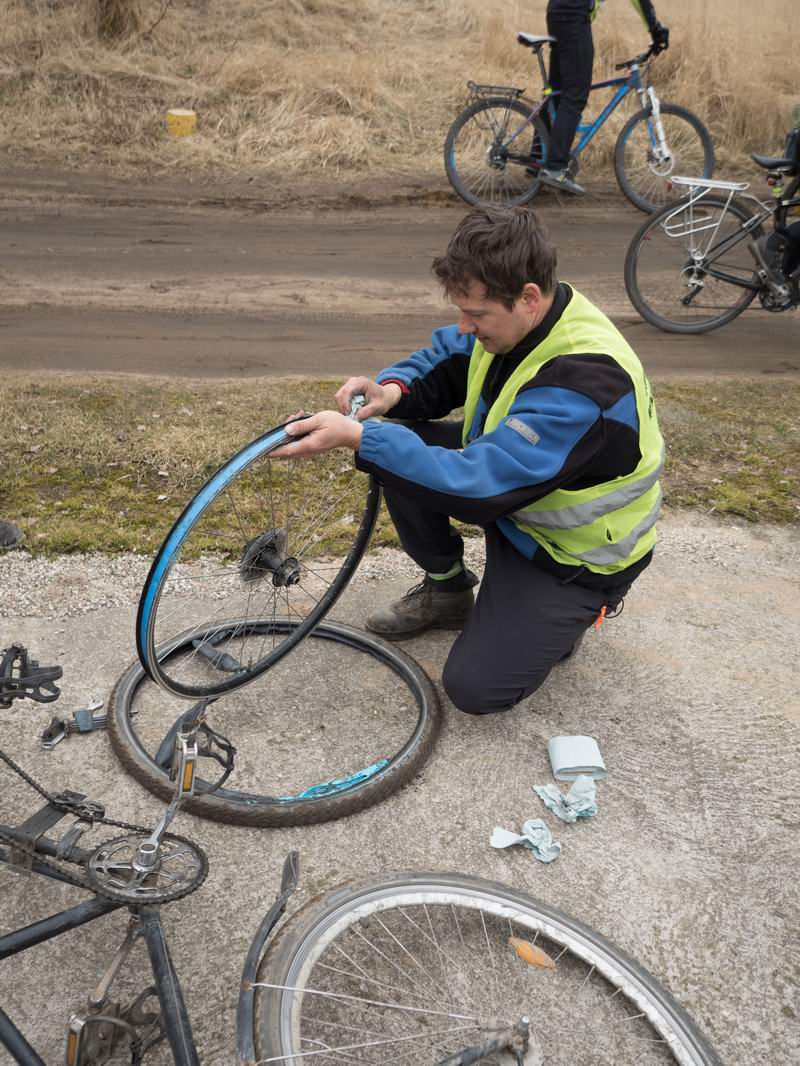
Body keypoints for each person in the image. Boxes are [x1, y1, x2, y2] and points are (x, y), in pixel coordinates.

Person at [273, 206, 663, 717]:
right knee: (399, 444)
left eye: (475, 315)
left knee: (476, 689)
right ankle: (449, 592)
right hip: (520, 492)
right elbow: (449, 357)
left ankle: (574, 616)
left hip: (572, 558)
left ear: (527, 297)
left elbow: (479, 488)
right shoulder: (525, 312)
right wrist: (391, 391)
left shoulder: (586, 382)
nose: (464, 326)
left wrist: (360, 439)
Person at [539, 0, 670, 195]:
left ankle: (538, 157)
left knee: (558, 93)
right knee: (574, 96)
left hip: (557, 12)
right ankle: (555, 168)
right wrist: (655, 28)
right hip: (573, 16)